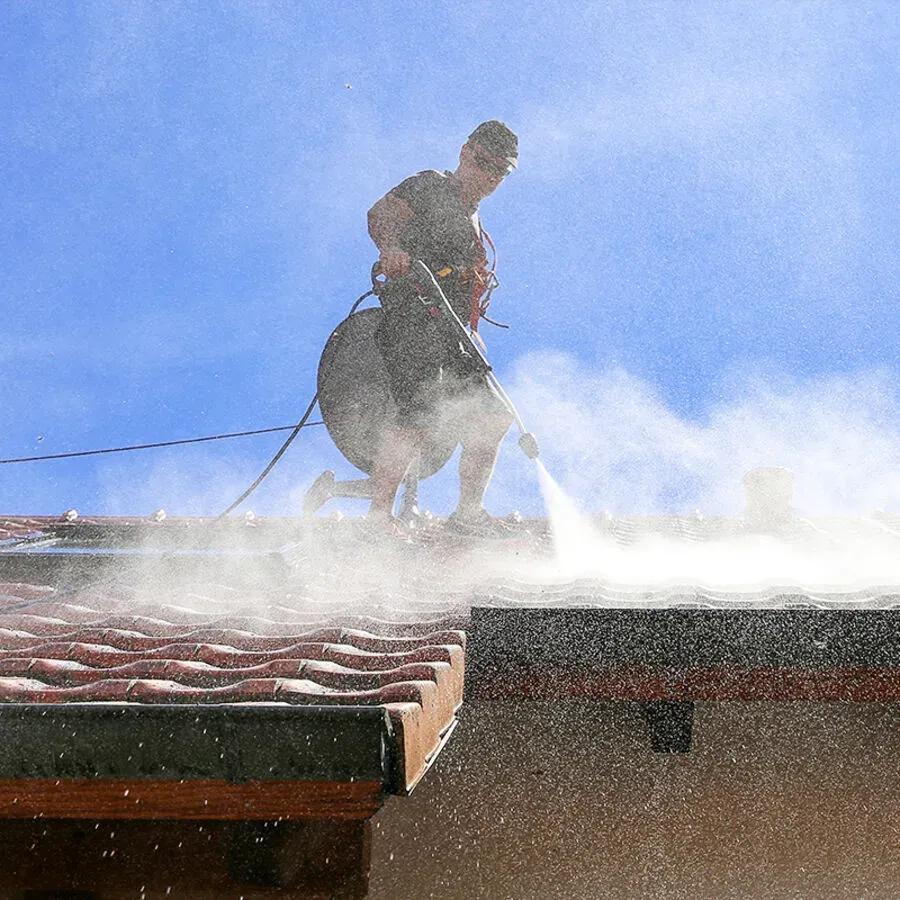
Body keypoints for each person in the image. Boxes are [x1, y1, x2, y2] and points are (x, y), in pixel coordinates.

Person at [365, 120, 519, 532]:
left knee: (493, 417)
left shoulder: (474, 223)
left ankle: (468, 514)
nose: (488, 177)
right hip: (413, 317)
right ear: (466, 151)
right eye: (484, 162)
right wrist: (392, 247)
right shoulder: (431, 185)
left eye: (499, 172)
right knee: (418, 414)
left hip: (455, 334)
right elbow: (382, 213)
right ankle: (378, 520)